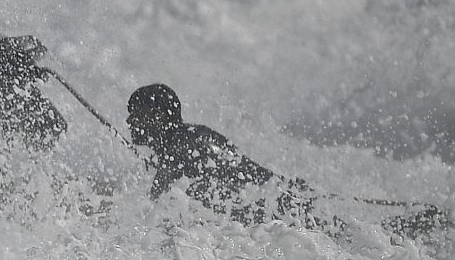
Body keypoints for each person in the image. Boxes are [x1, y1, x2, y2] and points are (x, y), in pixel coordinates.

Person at [126, 83, 330, 229]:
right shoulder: (189, 136)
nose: (129, 120)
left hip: (280, 209)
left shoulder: (179, 147)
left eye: (136, 113)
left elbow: (152, 211)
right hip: (282, 202)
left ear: (157, 116)